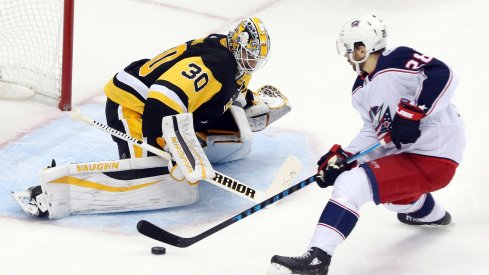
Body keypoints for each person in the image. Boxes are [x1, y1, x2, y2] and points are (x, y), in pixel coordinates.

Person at [12, 17, 291, 219]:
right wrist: (166, 145)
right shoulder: (215, 66)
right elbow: (163, 97)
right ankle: (48, 191)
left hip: (172, 109)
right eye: (249, 56)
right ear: (236, 45)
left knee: (206, 143)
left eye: (256, 59)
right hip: (136, 107)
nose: (251, 63)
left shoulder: (234, 61)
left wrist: (252, 101)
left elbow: (229, 92)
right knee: (151, 172)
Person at [268, 14, 465, 275]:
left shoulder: (397, 59)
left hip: (436, 155)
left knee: (353, 185)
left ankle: (317, 260)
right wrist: (345, 157)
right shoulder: (360, 89)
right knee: (391, 198)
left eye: (350, 50)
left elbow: (443, 73)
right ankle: (432, 214)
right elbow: (375, 131)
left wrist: (415, 112)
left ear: (362, 48)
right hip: (409, 157)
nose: (347, 56)